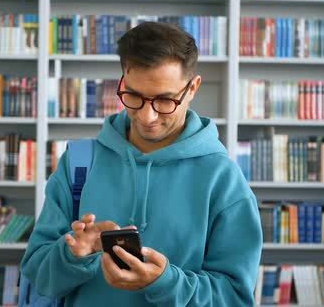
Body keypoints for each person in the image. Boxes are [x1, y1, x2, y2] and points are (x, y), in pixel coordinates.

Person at [20, 21, 262, 306]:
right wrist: (73, 255)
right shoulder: (79, 163)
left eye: (165, 100)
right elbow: (38, 275)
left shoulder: (223, 180)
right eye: (133, 96)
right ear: (122, 81)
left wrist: (165, 284)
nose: (147, 117)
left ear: (192, 88)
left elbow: (235, 298)